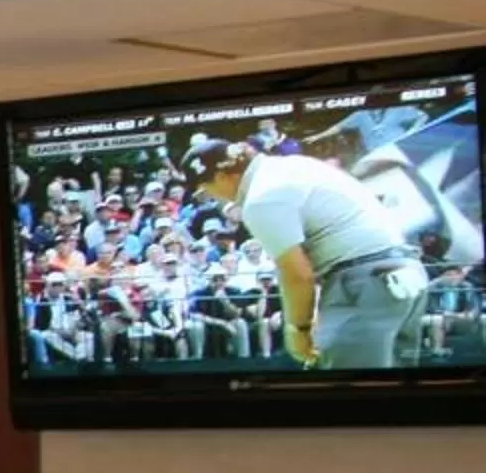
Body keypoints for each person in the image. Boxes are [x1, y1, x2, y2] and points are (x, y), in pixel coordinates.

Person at [183, 137, 431, 369]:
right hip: (403, 274)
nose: (211, 197)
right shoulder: (295, 164)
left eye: (206, 188)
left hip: (363, 283)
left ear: (221, 176)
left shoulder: (261, 198)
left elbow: (297, 274)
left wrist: (298, 330)